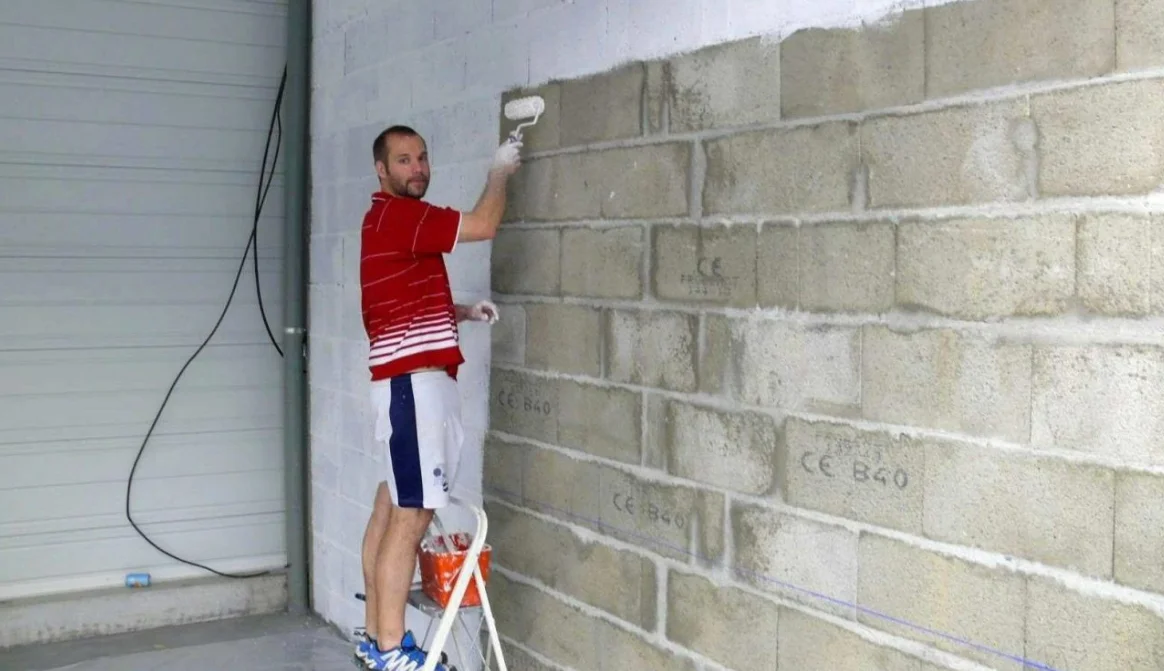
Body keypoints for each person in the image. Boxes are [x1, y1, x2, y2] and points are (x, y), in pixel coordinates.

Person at [353, 125, 522, 671]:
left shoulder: (385, 223)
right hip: (414, 392)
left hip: (403, 390)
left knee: (391, 504)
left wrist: (463, 313)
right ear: (382, 170)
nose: (418, 168)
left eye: (423, 158)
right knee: (412, 516)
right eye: (404, 160)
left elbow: (400, 306)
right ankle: (389, 650)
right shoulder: (402, 216)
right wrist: (500, 169)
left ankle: (375, 638)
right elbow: (485, 223)